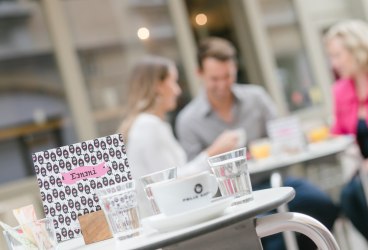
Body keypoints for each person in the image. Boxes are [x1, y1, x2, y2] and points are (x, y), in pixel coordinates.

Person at [175, 37, 340, 250]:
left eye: (228, 76)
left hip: (274, 182)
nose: (223, 84)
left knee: (321, 203)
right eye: (214, 79)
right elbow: (196, 180)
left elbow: (283, 138)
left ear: (235, 69)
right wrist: (215, 151)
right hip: (231, 201)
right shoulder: (188, 120)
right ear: (200, 74)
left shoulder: (256, 98)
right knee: (261, 234)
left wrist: (288, 141)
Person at [118, 56, 239, 217]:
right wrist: (213, 153)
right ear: (158, 86)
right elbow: (172, 182)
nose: (178, 90)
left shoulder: (146, 125)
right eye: (173, 82)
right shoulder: (148, 127)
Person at [324, 19, 368, 249]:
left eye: (337, 55)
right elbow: (339, 133)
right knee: (348, 198)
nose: (333, 63)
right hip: (364, 170)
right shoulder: (341, 90)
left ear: (358, 50)